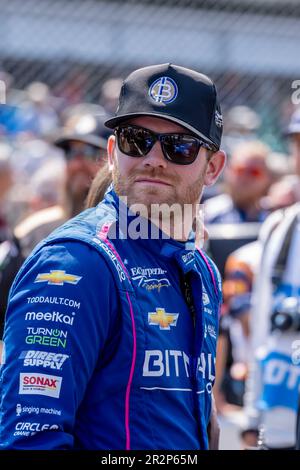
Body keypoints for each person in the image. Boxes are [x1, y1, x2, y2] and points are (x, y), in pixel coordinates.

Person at [0, 63, 226, 450]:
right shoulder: (77, 262)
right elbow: (30, 439)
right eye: (136, 140)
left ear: (213, 168)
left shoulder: (201, 268)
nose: (154, 158)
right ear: (111, 152)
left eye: (180, 146)